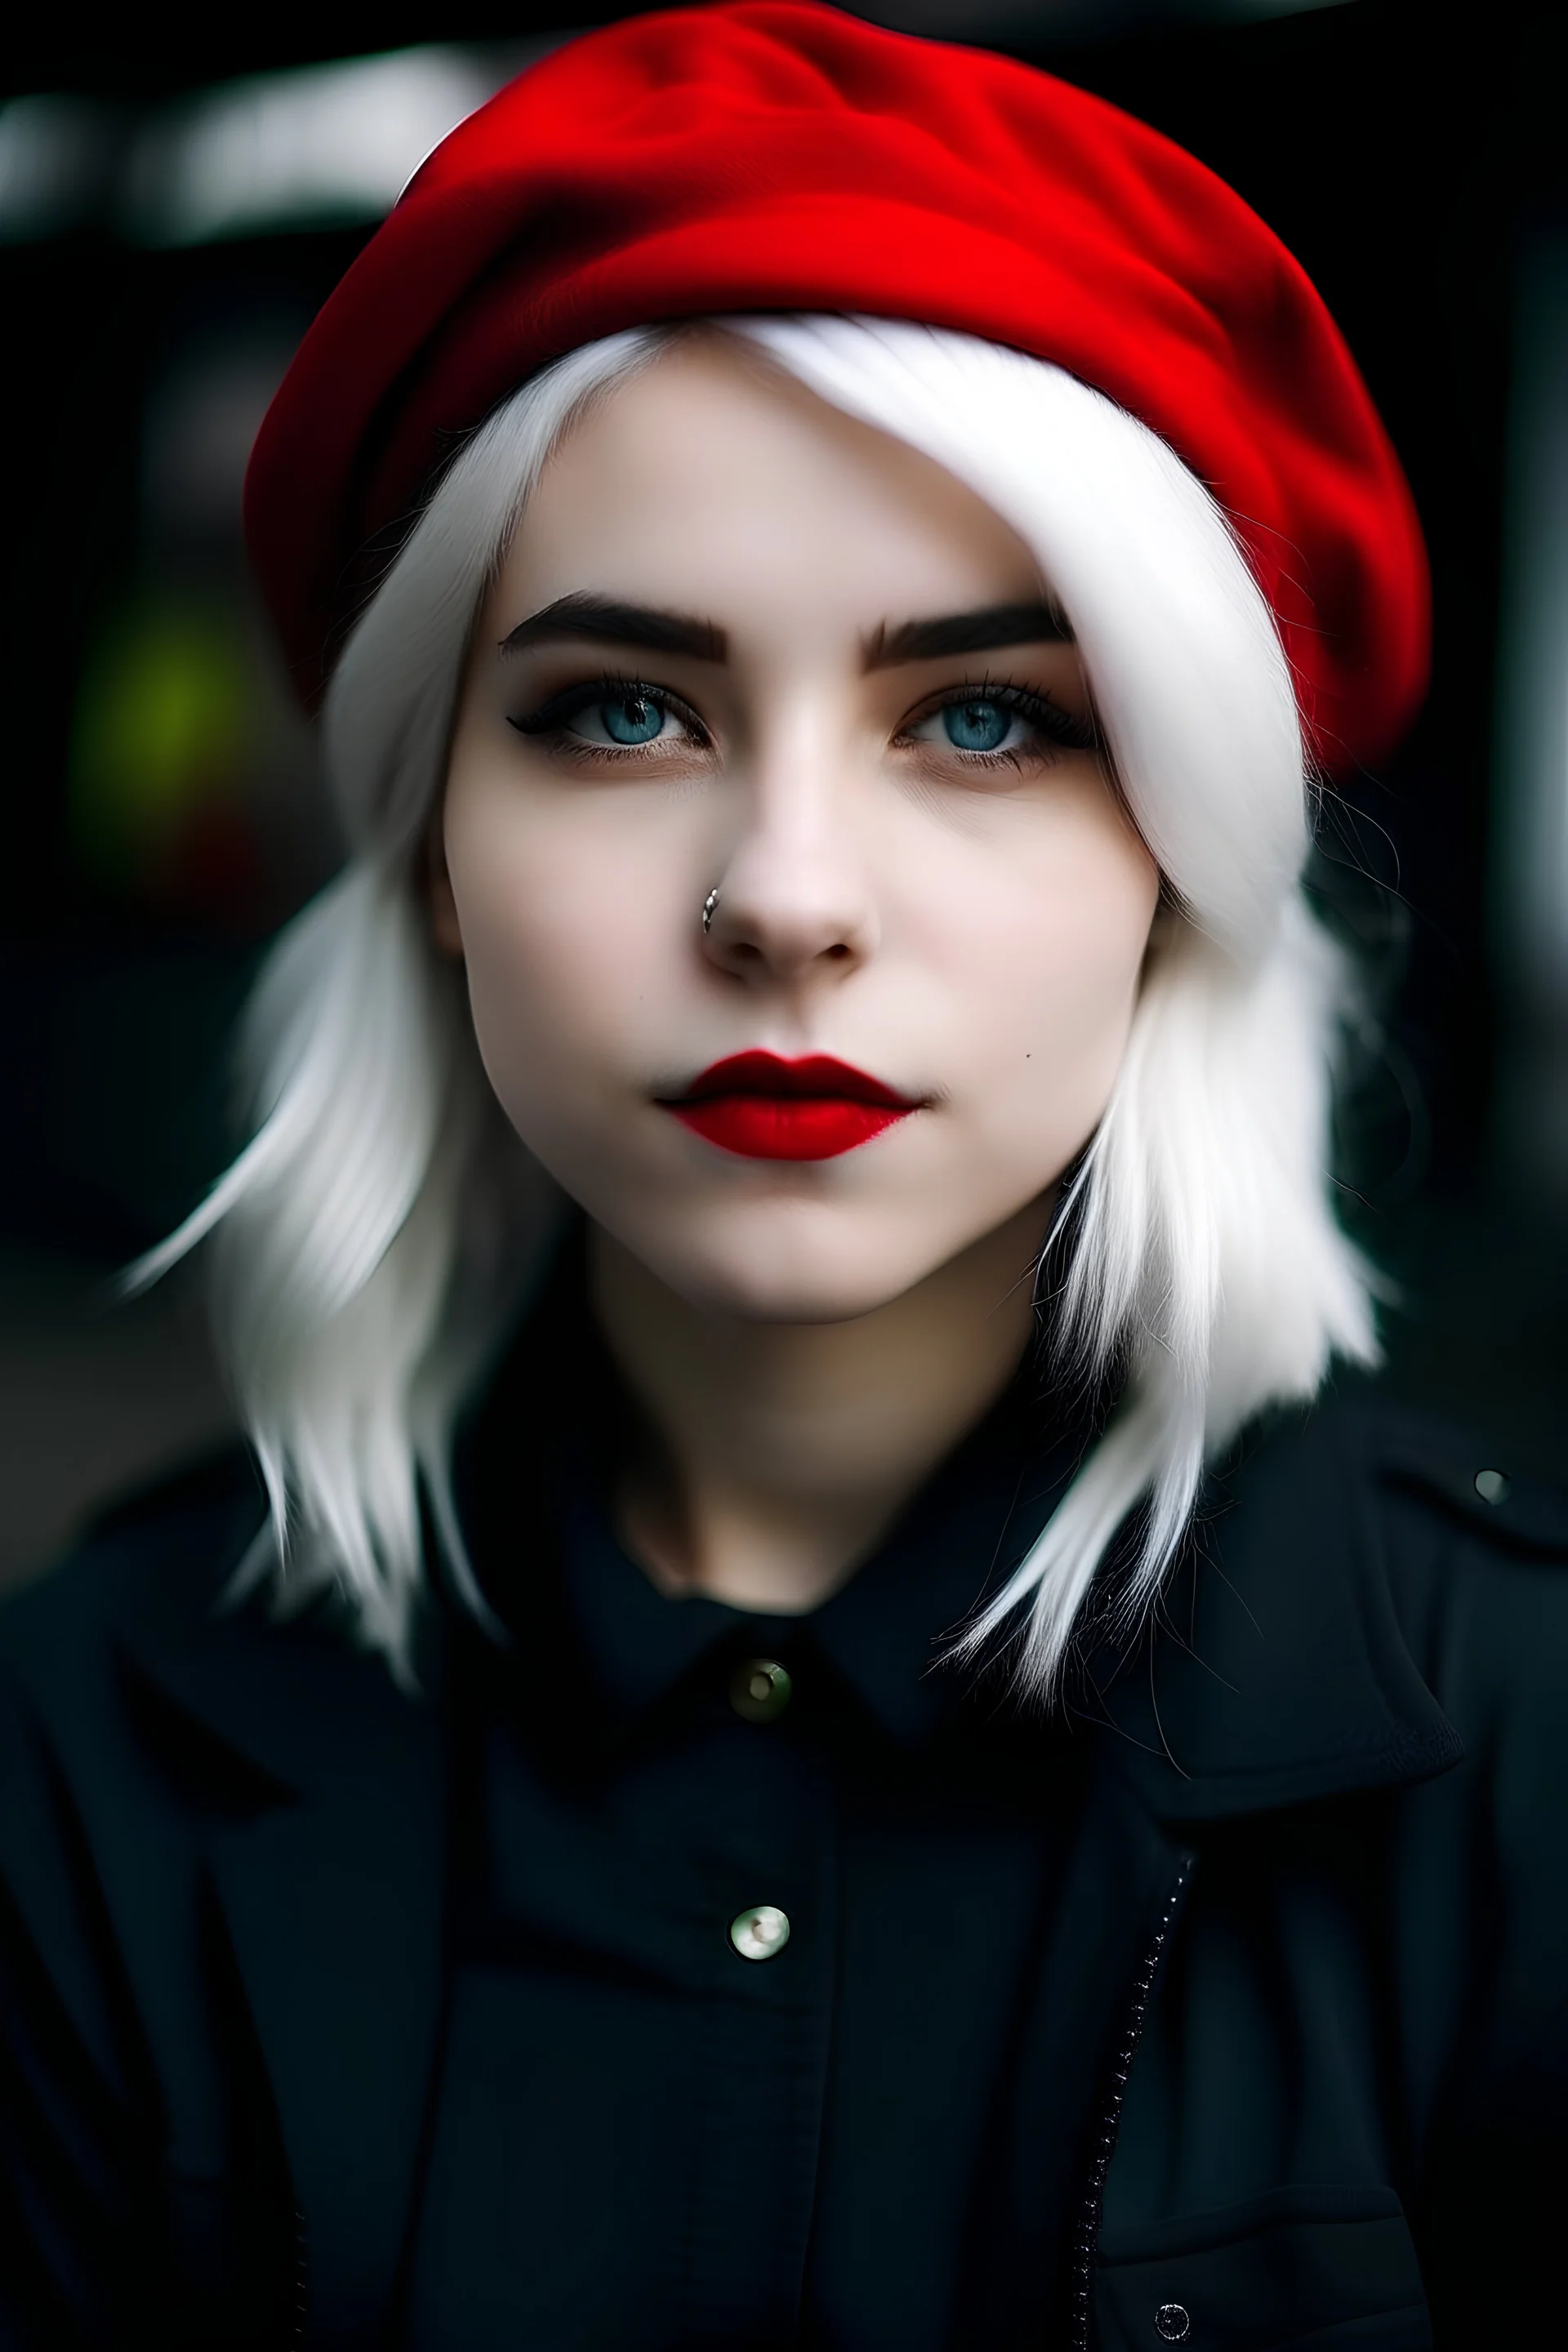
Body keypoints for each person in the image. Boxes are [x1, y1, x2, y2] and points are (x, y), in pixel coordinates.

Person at [2, 5, 1563, 2345]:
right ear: (430, 840)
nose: (788, 893)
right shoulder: (84, 1745)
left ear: (1186, 850)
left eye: (984, 716)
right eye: (623, 709)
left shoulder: (1529, 1741)